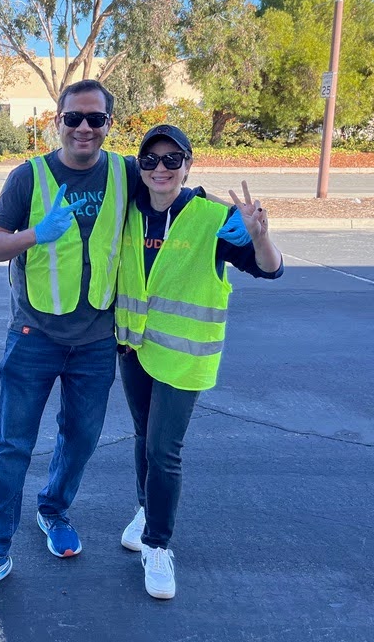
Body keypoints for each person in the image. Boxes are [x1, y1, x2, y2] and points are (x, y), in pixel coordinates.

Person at [0, 78, 140, 601]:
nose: (84, 128)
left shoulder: (125, 173)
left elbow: (174, 193)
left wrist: (236, 223)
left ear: (108, 125)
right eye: (73, 118)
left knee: (81, 438)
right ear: (56, 121)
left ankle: (53, 508)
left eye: (95, 119)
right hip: (34, 336)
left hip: (97, 340)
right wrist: (37, 234)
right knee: (12, 445)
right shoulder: (28, 177)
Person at [116, 124, 283, 601]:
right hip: (136, 349)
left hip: (184, 357)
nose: (161, 168)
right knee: (144, 437)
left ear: (188, 166)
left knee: (164, 450)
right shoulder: (127, 213)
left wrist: (260, 235)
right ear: (141, 167)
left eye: (173, 160)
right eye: (151, 160)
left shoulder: (214, 218)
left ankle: (158, 545)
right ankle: (146, 508)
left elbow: (270, 269)